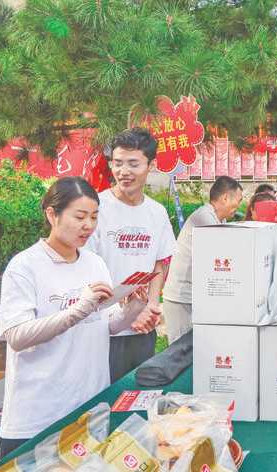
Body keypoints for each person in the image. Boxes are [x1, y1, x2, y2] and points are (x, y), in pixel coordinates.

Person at [0, 177, 158, 456]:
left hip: (89, 408)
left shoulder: (94, 263)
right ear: (52, 214)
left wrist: (131, 310)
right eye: (80, 216)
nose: (89, 225)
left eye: (94, 217)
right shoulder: (24, 266)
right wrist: (77, 310)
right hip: (39, 416)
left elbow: (103, 325)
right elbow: (17, 336)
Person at [87, 128, 176, 382]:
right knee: (103, 401)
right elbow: (85, 267)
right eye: (118, 164)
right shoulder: (96, 210)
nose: (124, 172)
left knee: (139, 396)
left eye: (133, 164)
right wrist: (118, 310)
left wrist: (151, 304)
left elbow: (160, 261)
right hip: (102, 328)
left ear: (151, 165)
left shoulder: (156, 213)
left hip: (142, 326)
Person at [162, 177, 243, 343]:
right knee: (180, 353)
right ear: (225, 198)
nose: (239, 205)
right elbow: (225, 257)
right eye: (239, 200)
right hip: (181, 298)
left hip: (194, 297)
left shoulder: (218, 219)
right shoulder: (204, 220)